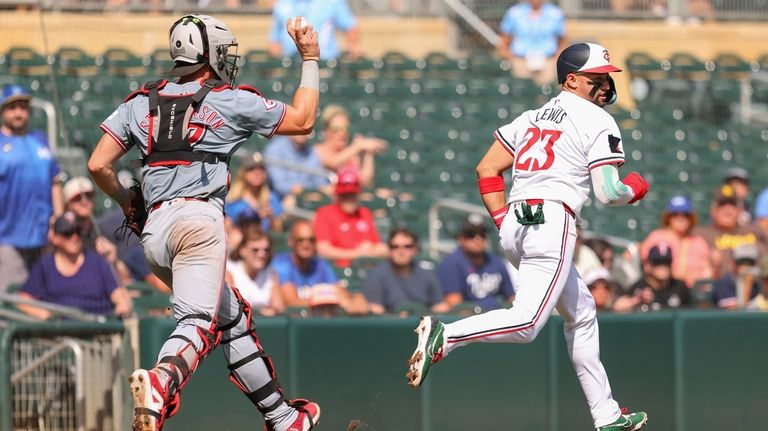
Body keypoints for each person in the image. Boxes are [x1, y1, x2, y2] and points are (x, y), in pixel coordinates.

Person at [88, 14, 322, 431]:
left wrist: (128, 203)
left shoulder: (139, 101)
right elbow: (303, 120)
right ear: (210, 52)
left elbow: (98, 164)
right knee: (197, 321)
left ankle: (282, 417)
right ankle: (162, 380)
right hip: (198, 220)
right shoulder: (230, 98)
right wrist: (310, 57)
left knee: (229, 314)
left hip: (155, 231)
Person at [406, 43, 650, 430]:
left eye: (607, 77)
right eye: (596, 78)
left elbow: (487, 168)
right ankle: (446, 334)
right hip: (552, 220)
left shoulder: (531, 117)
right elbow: (608, 191)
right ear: (571, 80)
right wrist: (635, 188)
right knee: (527, 324)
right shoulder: (597, 120)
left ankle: (607, 416)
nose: (605, 84)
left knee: (582, 313)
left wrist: (504, 221)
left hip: (519, 222)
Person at [0, 84, 63, 292]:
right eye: (12, 107)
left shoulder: (39, 140)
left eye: (23, 106)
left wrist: (59, 219)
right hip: (8, 238)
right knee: (11, 301)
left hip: (42, 237)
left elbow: (54, 180)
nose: (19, 112)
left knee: (41, 297)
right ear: (3, 111)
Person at [17, 211, 133, 320]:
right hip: (59, 333)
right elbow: (23, 300)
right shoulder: (45, 265)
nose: (74, 237)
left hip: (97, 328)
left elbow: (117, 292)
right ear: (55, 238)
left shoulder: (97, 262)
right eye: (67, 233)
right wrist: (47, 316)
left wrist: (122, 304)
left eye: (78, 231)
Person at [272, 220, 368, 314]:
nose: (306, 244)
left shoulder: (321, 264)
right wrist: (330, 303)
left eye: (311, 240)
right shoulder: (282, 263)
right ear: (291, 241)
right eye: (300, 240)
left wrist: (354, 300)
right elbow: (291, 302)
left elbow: (338, 289)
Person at [364, 228, 449, 316]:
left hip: (422, 325)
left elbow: (439, 307)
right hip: (390, 327)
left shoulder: (428, 276)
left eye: (407, 246)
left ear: (415, 249)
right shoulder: (377, 275)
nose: (401, 251)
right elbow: (376, 310)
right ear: (389, 249)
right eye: (395, 246)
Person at [436, 218, 515, 312]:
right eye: (471, 234)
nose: (478, 239)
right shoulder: (450, 264)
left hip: (497, 315)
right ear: (461, 238)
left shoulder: (496, 261)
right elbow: (456, 307)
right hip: (470, 319)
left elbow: (511, 297)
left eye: (482, 234)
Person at [313, 170, 388, 268]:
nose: (349, 199)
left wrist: (371, 249)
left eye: (352, 195)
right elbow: (322, 249)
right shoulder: (325, 213)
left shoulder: (364, 212)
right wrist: (357, 253)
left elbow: (381, 248)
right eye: (345, 195)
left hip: (367, 269)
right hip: (339, 270)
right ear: (337, 195)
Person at [640, 195, 712, 288]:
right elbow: (645, 264)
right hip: (663, 289)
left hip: (692, 291)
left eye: (685, 215)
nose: (680, 218)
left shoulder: (699, 241)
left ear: (691, 218)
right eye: (675, 214)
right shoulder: (656, 237)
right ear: (668, 217)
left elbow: (708, 272)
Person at [696, 185, 767, 279]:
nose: (728, 209)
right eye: (722, 204)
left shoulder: (755, 230)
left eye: (733, 204)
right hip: (719, 289)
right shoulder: (701, 234)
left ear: (740, 210)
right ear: (712, 210)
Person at [313, 105, 387, 189]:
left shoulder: (352, 154)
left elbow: (366, 182)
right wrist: (358, 146)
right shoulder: (319, 150)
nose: (342, 133)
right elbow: (333, 162)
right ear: (326, 131)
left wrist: (368, 153)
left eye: (345, 128)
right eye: (335, 128)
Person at [497, 0, 566, 85]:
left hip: (547, 61)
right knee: (521, 89)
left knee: (546, 90)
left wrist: (557, 58)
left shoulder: (555, 13)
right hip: (521, 61)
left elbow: (562, 39)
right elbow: (504, 37)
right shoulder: (515, 12)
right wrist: (508, 56)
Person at [269, 0, 360, 60]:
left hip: (324, 64)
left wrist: (353, 46)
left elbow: (350, 27)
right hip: (290, 64)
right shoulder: (282, 4)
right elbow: (275, 40)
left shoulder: (333, 2)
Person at [226, 225, 284, 316]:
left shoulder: (271, 274)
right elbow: (228, 308)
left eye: (266, 250)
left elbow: (279, 308)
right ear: (242, 250)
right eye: (255, 250)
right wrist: (261, 312)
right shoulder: (229, 271)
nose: (262, 254)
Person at [613, 244, 691, 312]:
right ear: (648, 266)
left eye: (667, 262)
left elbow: (691, 312)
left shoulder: (679, 286)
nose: (663, 266)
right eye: (657, 262)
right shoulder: (638, 287)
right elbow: (618, 308)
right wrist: (637, 300)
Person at [263, 134, 331, 200]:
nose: (302, 131)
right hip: (279, 199)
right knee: (290, 201)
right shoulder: (276, 148)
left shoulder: (310, 152)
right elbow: (280, 185)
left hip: (307, 196)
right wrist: (299, 190)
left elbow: (320, 181)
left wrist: (310, 191)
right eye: (299, 125)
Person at [226, 153, 283, 232]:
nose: (257, 173)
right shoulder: (233, 199)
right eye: (252, 169)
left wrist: (271, 217)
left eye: (261, 169)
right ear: (243, 173)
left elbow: (279, 231)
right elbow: (227, 230)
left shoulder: (271, 198)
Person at [711, 244, 761, 309]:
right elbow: (735, 314)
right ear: (733, 263)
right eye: (741, 262)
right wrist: (747, 284)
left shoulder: (757, 283)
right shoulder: (724, 283)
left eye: (750, 262)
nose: (746, 266)